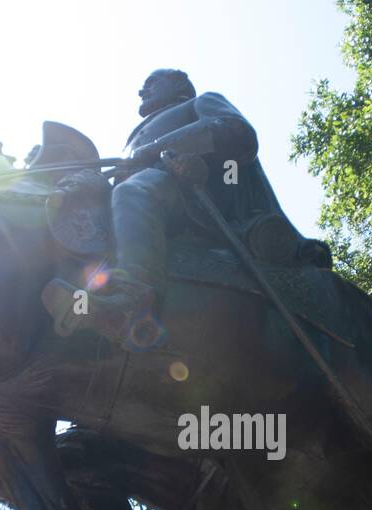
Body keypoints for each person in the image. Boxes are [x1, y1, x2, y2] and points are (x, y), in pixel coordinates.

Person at [43, 68, 301, 349]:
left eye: (152, 82)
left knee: (132, 191)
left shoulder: (200, 102)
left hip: (191, 195)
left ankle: (131, 302)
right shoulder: (136, 134)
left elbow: (236, 131)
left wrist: (154, 150)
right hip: (140, 203)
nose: (143, 91)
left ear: (178, 85)